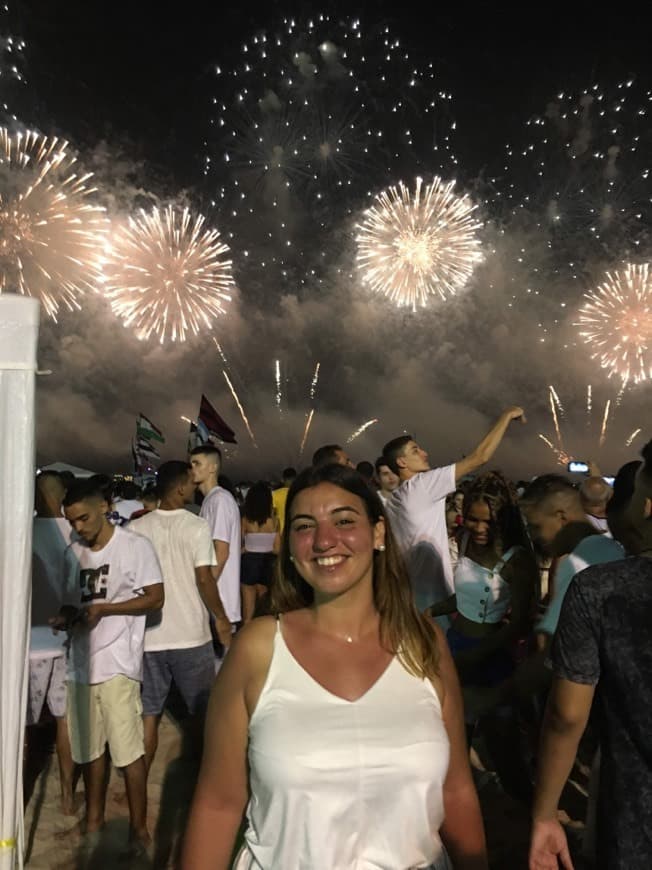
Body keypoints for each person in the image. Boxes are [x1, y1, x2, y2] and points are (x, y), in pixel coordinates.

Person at [183, 463, 488, 870]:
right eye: (305, 526)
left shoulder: (423, 641)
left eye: (344, 521)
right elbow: (219, 803)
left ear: (378, 533)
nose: (325, 540)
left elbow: (455, 791)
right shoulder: (258, 649)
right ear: (289, 544)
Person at [529, 441, 652, 870]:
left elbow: (566, 715)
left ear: (649, 506)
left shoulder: (601, 586)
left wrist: (544, 811)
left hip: (636, 822)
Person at [53, 480, 164, 854]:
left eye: (84, 518)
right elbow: (72, 600)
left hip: (118, 663)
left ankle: (138, 830)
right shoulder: (73, 552)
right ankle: (95, 819)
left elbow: (155, 598)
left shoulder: (135, 547)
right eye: (73, 522)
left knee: (128, 752)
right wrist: (66, 616)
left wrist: (108, 609)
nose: (79, 527)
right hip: (80, 664)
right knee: (90, 752)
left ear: (104, 506)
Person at [130, 462, 232, 773]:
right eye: (189, 483)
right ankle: (207, 779)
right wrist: (221, 617)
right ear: (178, 488)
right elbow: (204, 579)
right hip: (190, 634)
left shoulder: (136, 529)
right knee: (202, 714)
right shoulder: (196, 526)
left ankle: (139, 781)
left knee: (149, 715)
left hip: (150, 637)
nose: (193, 488)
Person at [382, 406, 526, 613]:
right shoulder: (423, 485)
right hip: (435, 601)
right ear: (401, 462)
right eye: (415, 450)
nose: (424, 453)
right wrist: (506, 416)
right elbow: (480, 457)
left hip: (405, 597)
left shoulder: (395, 499)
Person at [520, 475, 624, 640]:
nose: (534, 536)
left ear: (561, 517)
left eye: (536, 526)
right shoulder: (614, 547)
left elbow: (554, 645)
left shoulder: (576, 563)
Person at [29, 470, 76, 814]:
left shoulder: (22, 533)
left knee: (24, 724)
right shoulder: (77, 534)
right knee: (65, 719)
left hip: (29, 643)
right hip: (68, 641)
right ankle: (67, 797)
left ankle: (19, 791)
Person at [190, 445, 242, 629]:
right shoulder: (211, 500)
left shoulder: (219, 500)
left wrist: (204, 591)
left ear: (212, 468)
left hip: (219, 602)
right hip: (216, 602)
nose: (192, 469)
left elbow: (221, 551)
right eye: (191, 464)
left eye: (197, 463)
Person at [240, 481, 280, 623]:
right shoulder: (274, 521)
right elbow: (277, 548)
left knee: (247, 611)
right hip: (268, 562)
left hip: (249, 562)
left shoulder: (245, 520)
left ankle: (244, 637)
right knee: (265, 609)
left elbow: (240, 543)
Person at [271, 467, 296, 533]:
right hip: (294, 530)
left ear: (283, 479)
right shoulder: (298, 493)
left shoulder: (275, 493)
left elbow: (272, 514)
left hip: (280, 530)